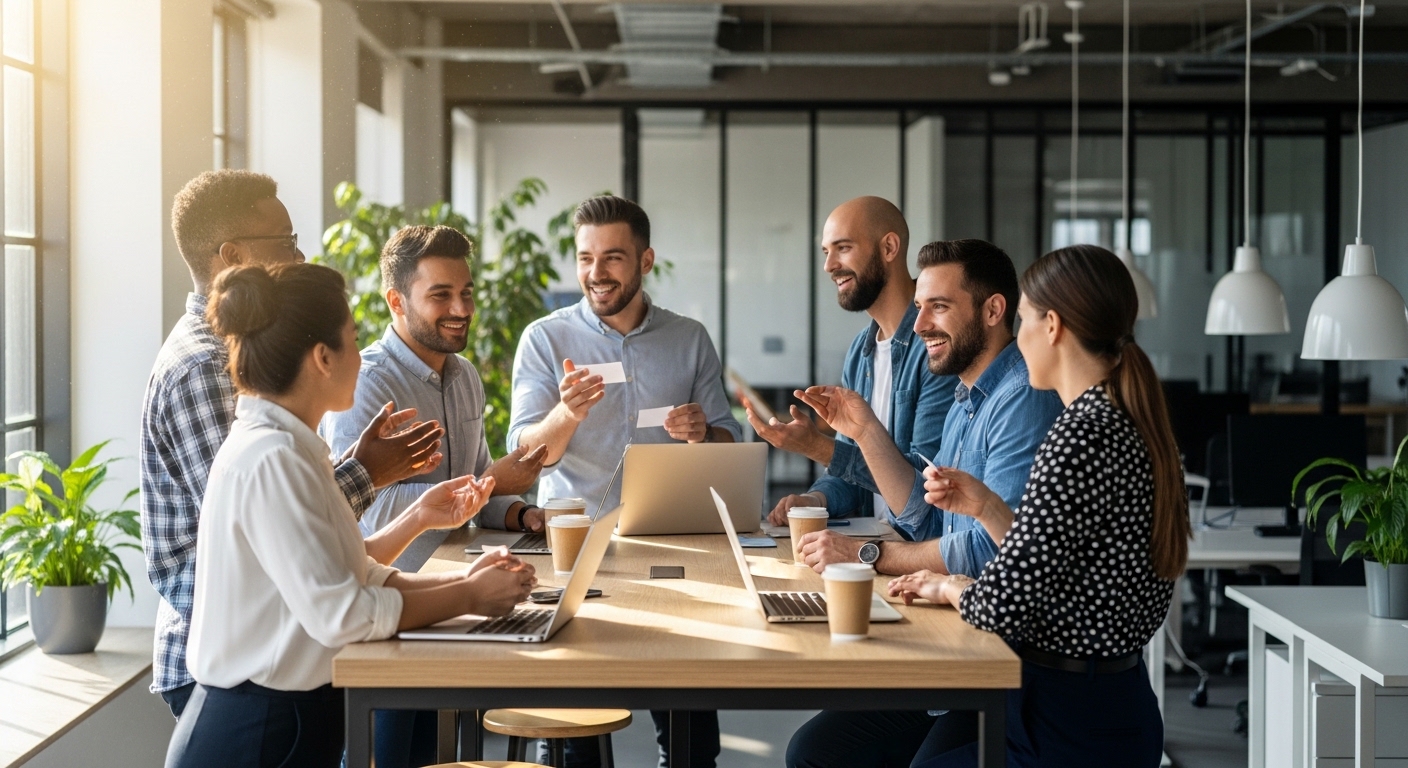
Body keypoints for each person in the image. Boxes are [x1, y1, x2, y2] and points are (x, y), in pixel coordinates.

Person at [165, 263, 537, 768]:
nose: (361, 360)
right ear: (322, 357)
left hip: (280, 724)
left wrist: (466, 582)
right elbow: (344, 614)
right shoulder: (273, 457)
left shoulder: (292, 448)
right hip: (257, 735)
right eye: (353, 341)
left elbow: (351, 569)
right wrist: (469, 595)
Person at [141, 170, 444, 720]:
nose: (299, 258)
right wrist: (368, 473)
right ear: (230, 255)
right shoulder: (208, 370)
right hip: (246, 674)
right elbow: (276, 530)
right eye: (285, 243)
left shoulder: (272, 408)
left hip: (277, 663)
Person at [888, 244, 1189, 767]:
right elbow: (1055, 559)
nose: (1017, 338)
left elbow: (1001, 604)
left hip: (1066, 721)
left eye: (1024, 319)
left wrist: (951, 585)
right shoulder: (1121, 417)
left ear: (1052, 326)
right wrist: (987, 508)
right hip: (1111, 703)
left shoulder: (1078, 435)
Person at [783, 240, 1064, 768]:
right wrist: (864, 430)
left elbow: (989, 549)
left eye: (938, 306)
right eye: (919, 307)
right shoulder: (964, 398)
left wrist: (868, 555)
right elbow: (923, 519)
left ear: (994, 310)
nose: (919, 325)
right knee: (814, 752)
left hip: (996, 666)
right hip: (954, 647)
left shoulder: (1021, 397)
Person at [509, 195, 741, 768]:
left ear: (646, 260)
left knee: (691, 736)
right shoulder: (545, 339)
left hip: (673, 545)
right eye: (586, 257)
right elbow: (524, 456)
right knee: (573, 734)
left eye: (612, 258)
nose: (596, 273)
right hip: (574, 549)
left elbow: (728, 442)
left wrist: (700, 433)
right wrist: (567, 412)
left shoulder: (689, 338)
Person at [321, 224, 549, 768]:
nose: (460, 307)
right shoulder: (368, 382)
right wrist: (489, 483)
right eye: (440, 294)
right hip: (389, 611)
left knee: (431, 758)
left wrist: (519, 509)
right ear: (396, 301)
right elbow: (364, 505)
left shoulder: (465, 375)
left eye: (466, 292)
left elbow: (476, 484)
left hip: (449, 606)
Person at [742, 197, 956, 529]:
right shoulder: (861, 352)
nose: (829, 266)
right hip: (877, 543)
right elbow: (853, 475)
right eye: (826, 252)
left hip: (919, 551)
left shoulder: (935, 344)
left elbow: (921, 484)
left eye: (843, 248)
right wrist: (815, 501)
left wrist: (817, 446)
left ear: (888, 247)